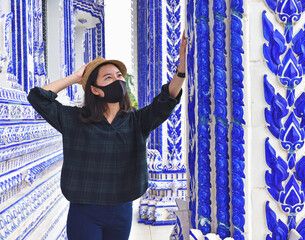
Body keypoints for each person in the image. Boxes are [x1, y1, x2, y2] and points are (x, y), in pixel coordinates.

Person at [27, 32, 187, 240]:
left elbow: (167, 99)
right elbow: (38, 97)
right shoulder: (75, 120)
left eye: (119, 76)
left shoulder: (137, 122)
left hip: (122, 210)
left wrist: (181, 68)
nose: (117, 80)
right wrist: (76, 78)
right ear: (95, 90)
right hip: (84, 212)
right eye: (108, 77)